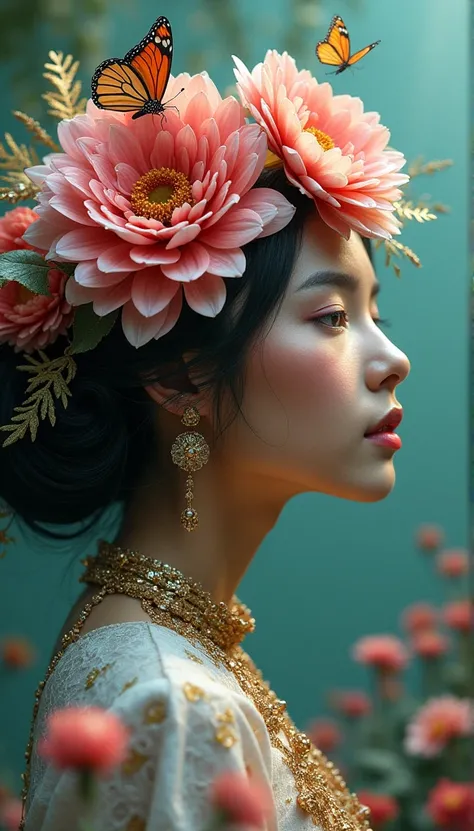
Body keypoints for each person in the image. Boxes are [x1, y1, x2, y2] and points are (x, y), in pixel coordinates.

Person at [0, 37, 418, 831]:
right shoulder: (174, 702)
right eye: (332, 317)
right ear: (181, 376)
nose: (392, 359)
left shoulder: (162, 652)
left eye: (375, 314)